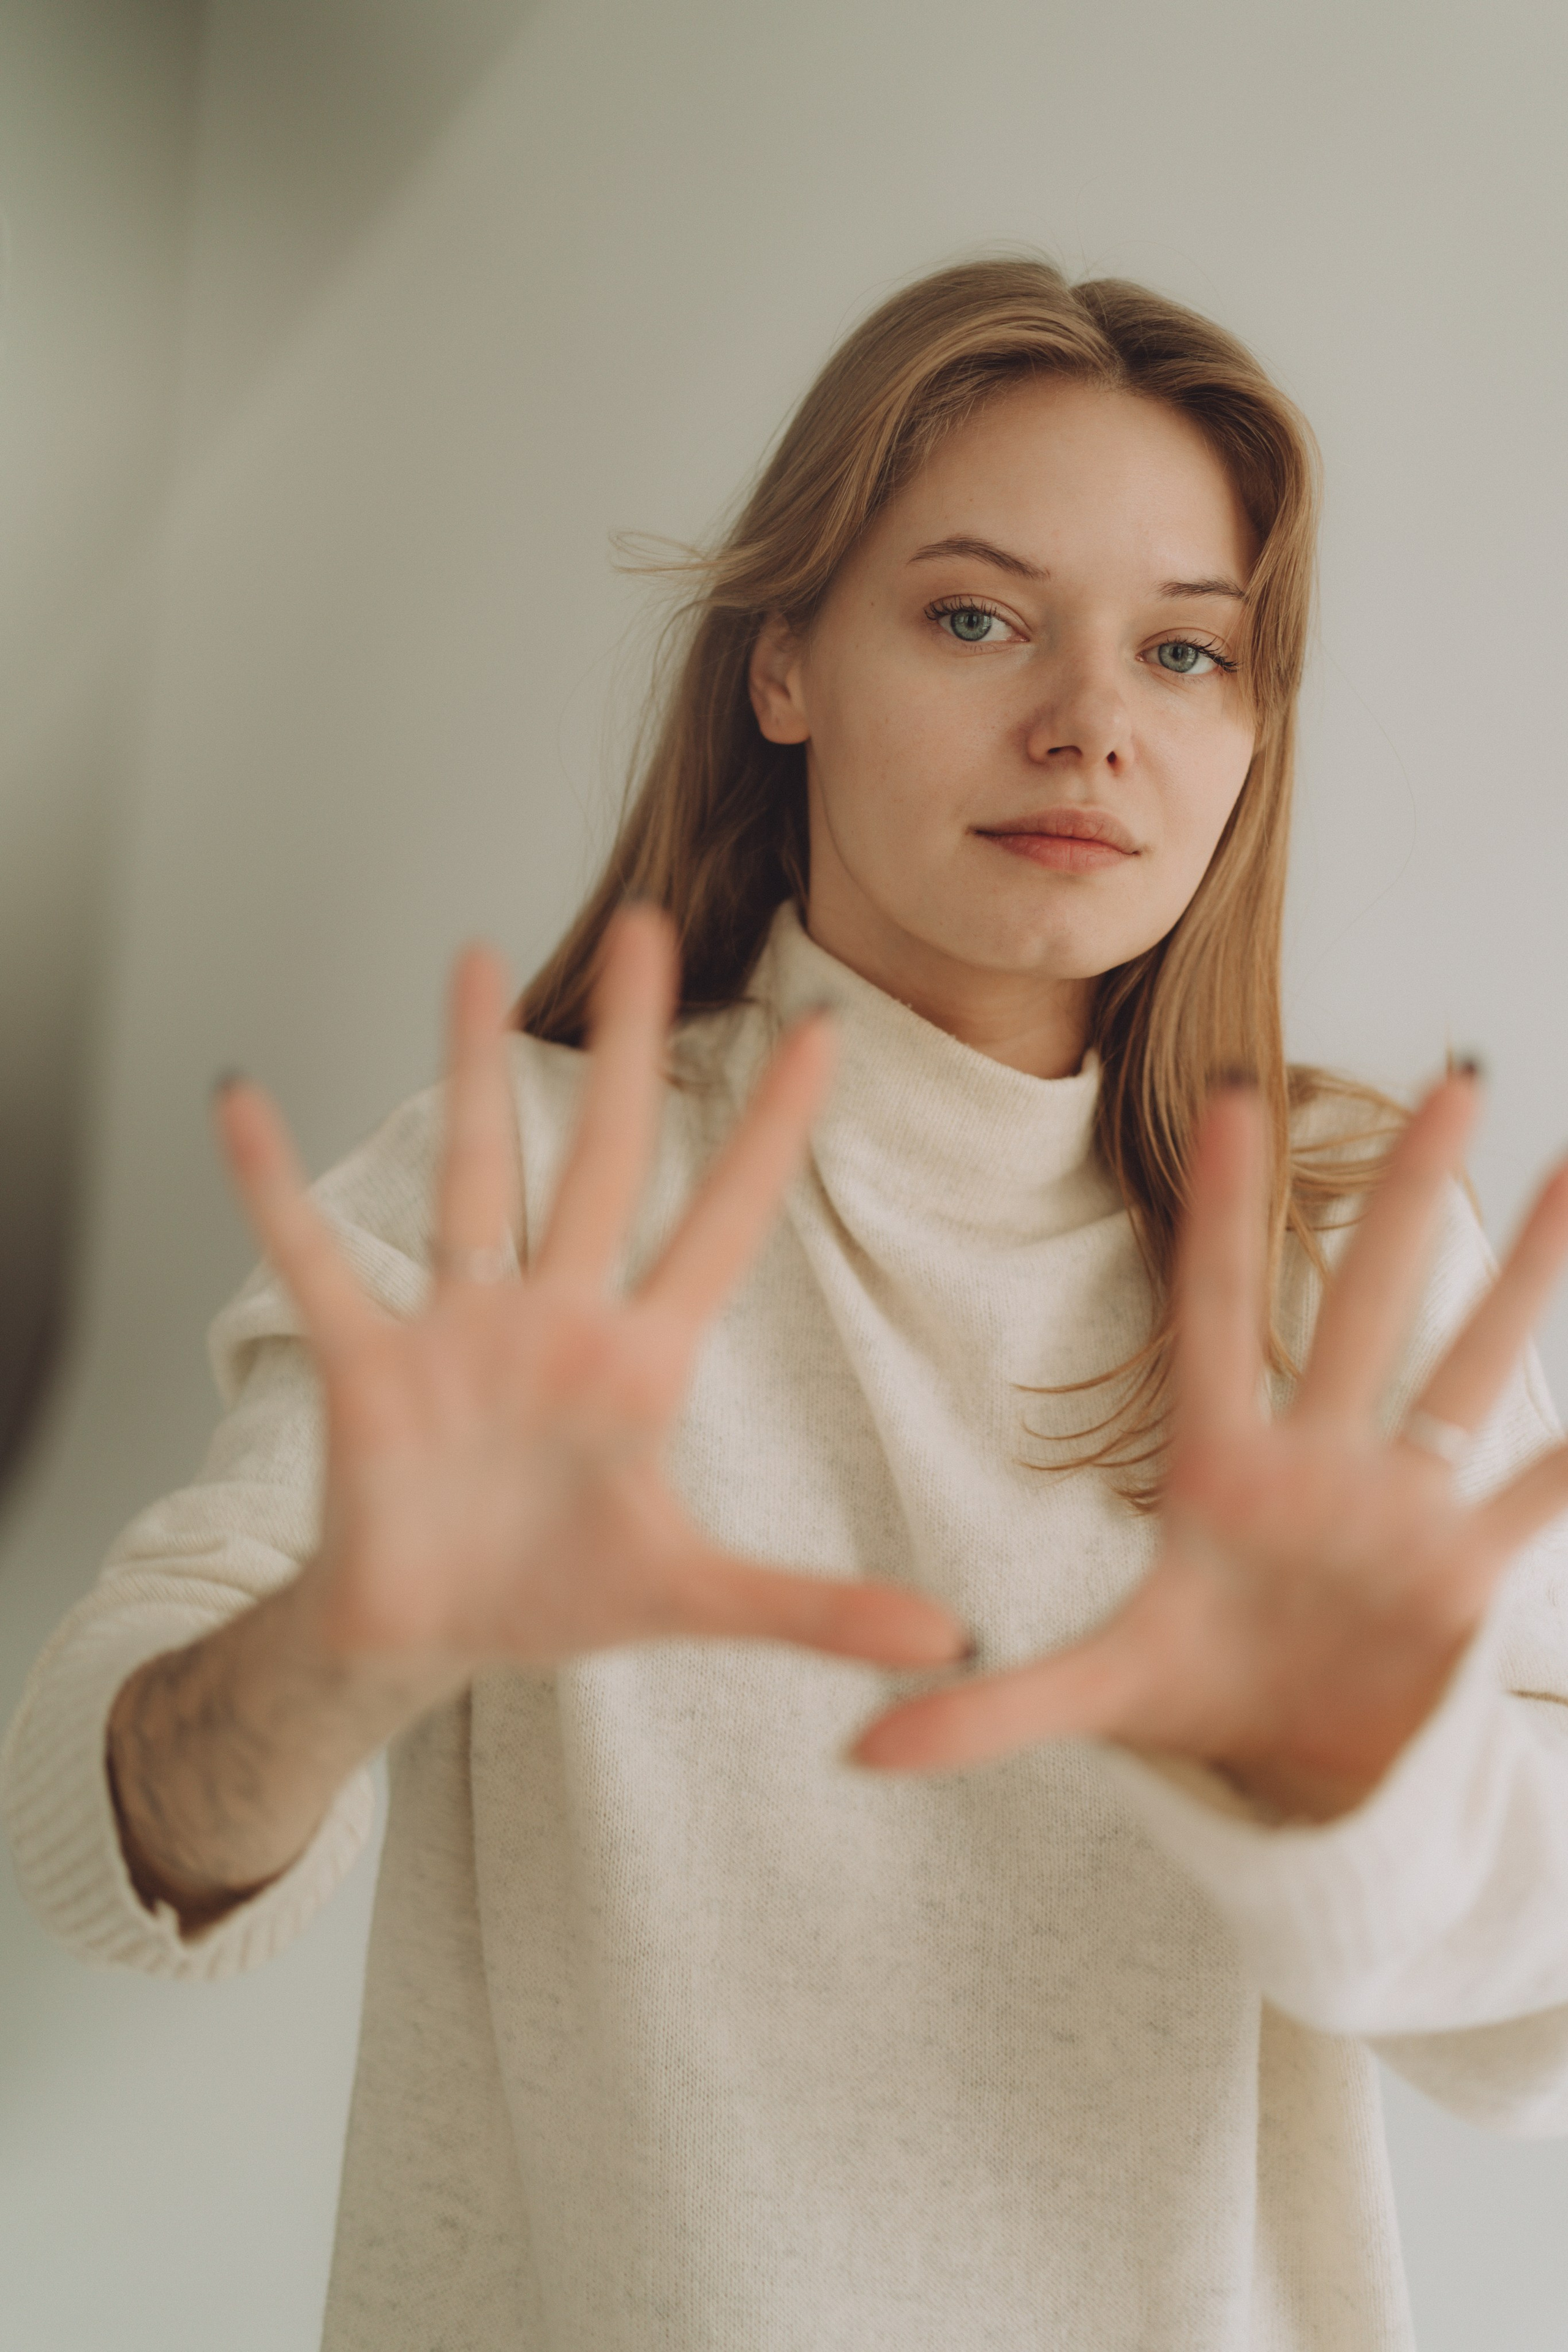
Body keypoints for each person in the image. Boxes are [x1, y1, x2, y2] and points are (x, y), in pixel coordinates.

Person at [7, 256, 1568, 2351]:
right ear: (782, 668)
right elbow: (108, 1852)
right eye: (974, 615)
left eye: (1187, 653)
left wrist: (1359, 1796)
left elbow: (1535, 2033)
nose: (1090, 722)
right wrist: (336, 1650)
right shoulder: (533, 1195)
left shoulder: (1332, 1260)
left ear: (1250, 730)